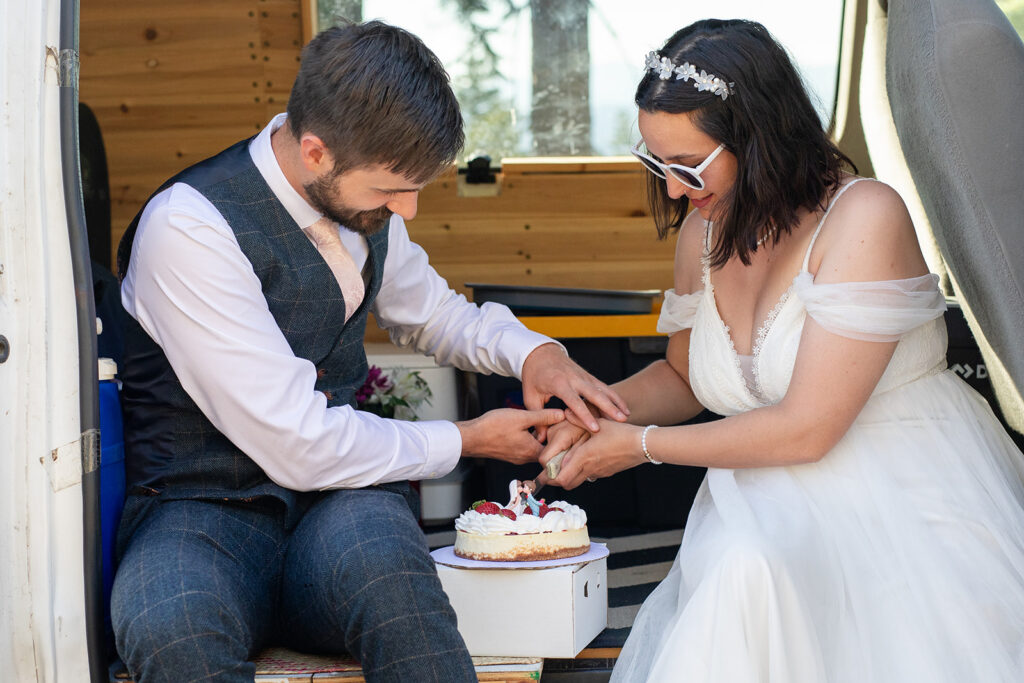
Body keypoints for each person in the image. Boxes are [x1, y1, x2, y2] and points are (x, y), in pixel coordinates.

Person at [110, 20, 628, 683]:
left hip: (336, 507)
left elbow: (435, 313)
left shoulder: (368, 208)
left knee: (391, 570)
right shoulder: (188, 226)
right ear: (317, 152)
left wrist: (534, 355)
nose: (407, 208)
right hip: (200, 512)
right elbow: (297, 439)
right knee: (168, 624)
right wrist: (469, 438)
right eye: (391, 189)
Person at [540, 18, 1024, 682]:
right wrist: (598, 410)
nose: (674, 189)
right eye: (657, 163)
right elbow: (684, 378)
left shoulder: (863, 218)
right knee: (744, 567)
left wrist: (640, 445)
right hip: (761, 500)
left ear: (759, 138)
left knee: (748, 570)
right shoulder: (701, 234)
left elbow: (808, 429)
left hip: (898, 501)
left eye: (688, 166)